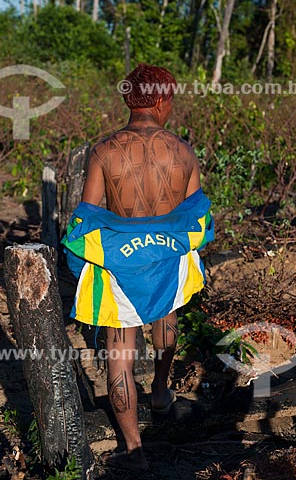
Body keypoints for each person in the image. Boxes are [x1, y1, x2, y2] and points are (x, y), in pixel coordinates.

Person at [62, 63, 214, 472]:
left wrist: (87, 260)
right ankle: (161, 393)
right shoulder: (183, 151)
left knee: (119, 360)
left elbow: (87, 218)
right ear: (161, 99)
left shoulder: (104, 151)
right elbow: (196, 219)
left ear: (130, 98)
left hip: (119, 268)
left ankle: (134, 450)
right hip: (166, 259)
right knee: (166, 320)